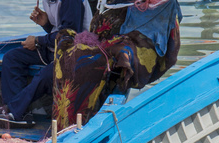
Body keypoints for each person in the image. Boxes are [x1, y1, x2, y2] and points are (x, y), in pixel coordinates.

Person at [52, 0, 182, 129]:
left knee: (85, 61)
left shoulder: (163, 7)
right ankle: (71, 124)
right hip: (103, 46)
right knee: (70, 51)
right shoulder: (109, 7)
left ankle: (75, 124)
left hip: (117, 50)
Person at [0, 0, 94, 128]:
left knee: (45, 76)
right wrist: (46, 24)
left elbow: (69, 36)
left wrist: (38, 41)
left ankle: (11, 110)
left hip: (76, 54)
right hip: (55, 50)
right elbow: (59, 30)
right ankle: (20, 115)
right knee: (12, 58)